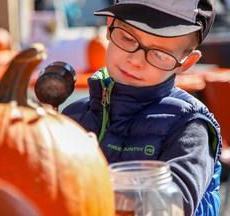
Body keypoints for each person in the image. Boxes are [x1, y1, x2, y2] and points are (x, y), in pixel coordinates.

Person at [62, 0, 222, 215]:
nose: (136, 60)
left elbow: (174, 204)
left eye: (160, 54)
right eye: (128, 38)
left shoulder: (190, 128)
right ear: (109, 27)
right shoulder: (74, 117)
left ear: (185, 63)